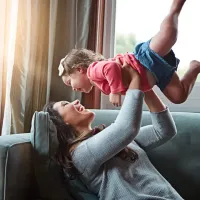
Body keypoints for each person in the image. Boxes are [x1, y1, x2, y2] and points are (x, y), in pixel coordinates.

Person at [43, 64, 183, 200]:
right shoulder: (80, 155)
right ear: (62, 122)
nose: (76, 102)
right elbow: (126, 128)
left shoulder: (116, 139)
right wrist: (135, 82)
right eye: (66, 104)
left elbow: (164, 131)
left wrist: (145, 87)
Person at [58, 0, 200, 106]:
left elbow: (110, 68)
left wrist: (115, 91)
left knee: (169, 35)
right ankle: (195, 67)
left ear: (79, 69)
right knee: (178, 97)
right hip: (156, 77)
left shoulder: (93, 71)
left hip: (145, 60)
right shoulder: (99, 83)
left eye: (70, 82)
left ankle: (175, 7)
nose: (74, 88)